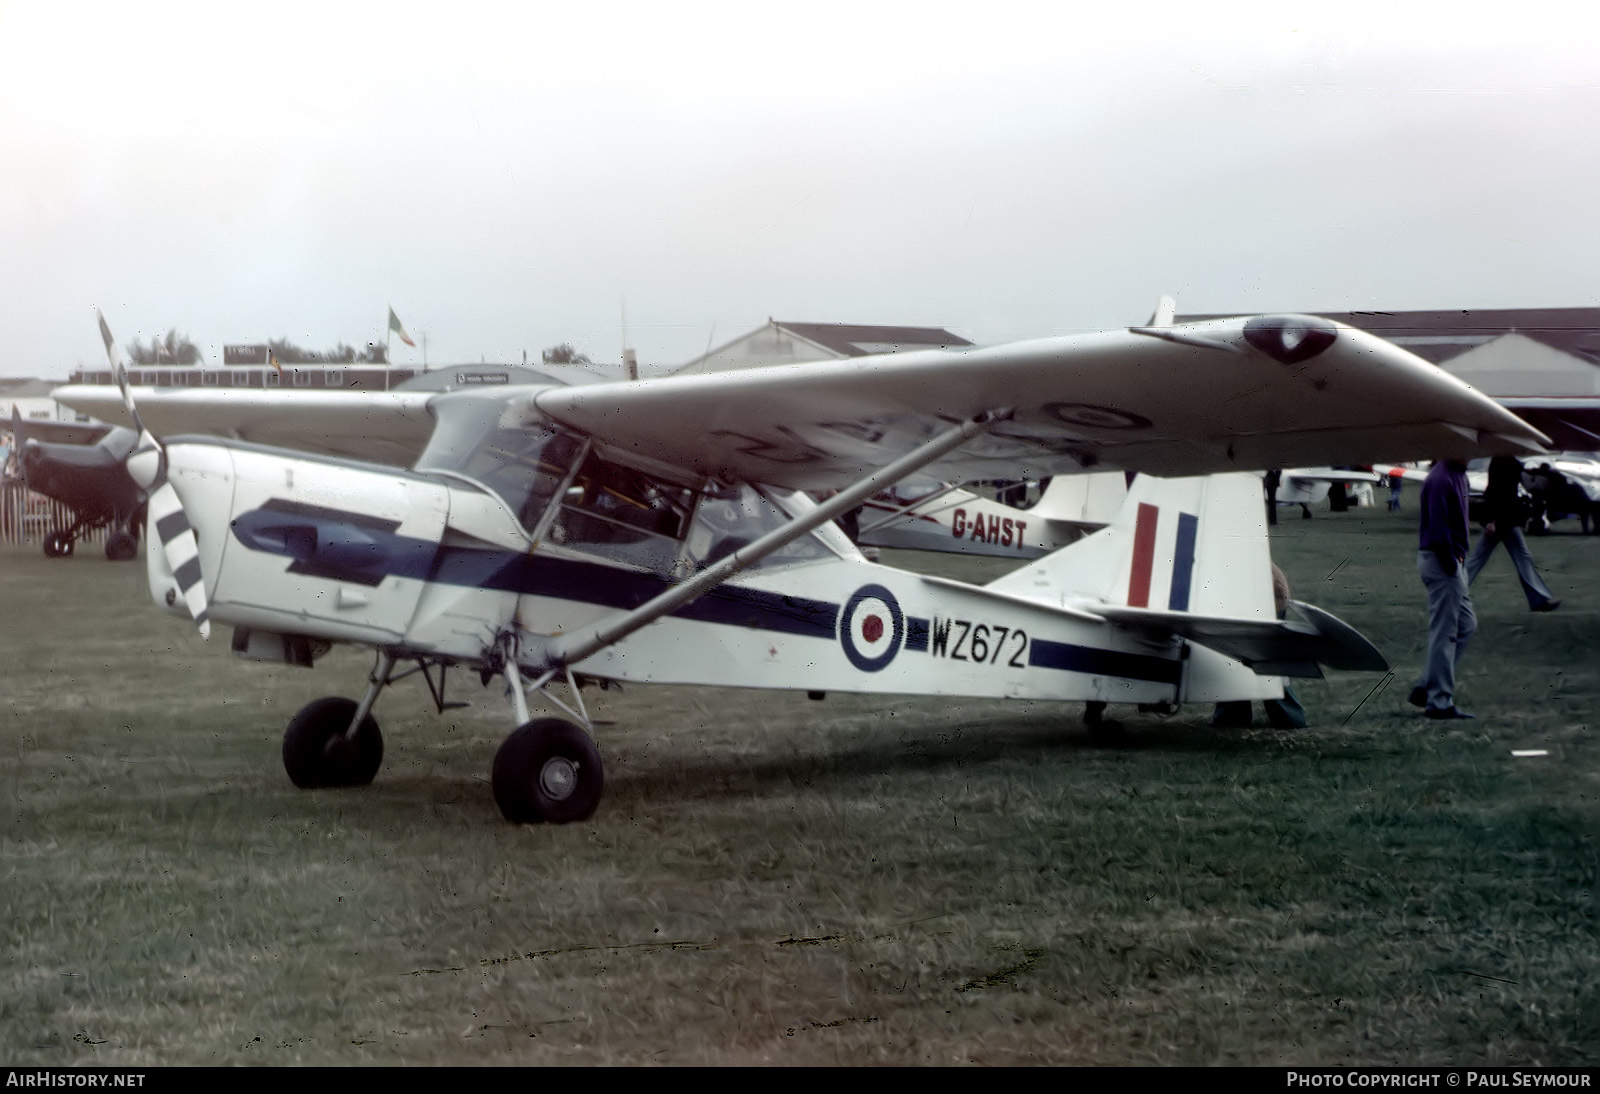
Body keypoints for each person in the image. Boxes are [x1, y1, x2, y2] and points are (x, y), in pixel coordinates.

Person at [1407, 458, 1477, 719]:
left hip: (1451, 560)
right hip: (1442, 560)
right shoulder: (1441, 478)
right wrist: (1452, 561)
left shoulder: (1457, 474)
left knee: (1465, 626)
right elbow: (1438, 530)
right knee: (1445, 631)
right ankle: (1439, 701)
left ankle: (1428, 685)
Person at [1212, 563, 1307, 729]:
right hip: (1254, 589)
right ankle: (1232, 720)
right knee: (1240, 661)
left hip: (1261, 592)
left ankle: (1289, 721)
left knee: (1261, 664)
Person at [1466, 455, 1559, 612]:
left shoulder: (1502, 460)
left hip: (1503, 521)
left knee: (1479, 559)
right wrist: (1493, 520)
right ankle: (1538, 600)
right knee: (1520, 558)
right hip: (1503, 521)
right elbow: (1497, 493)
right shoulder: (1505, 461)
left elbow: (1494, 492)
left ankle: (1538, 600)